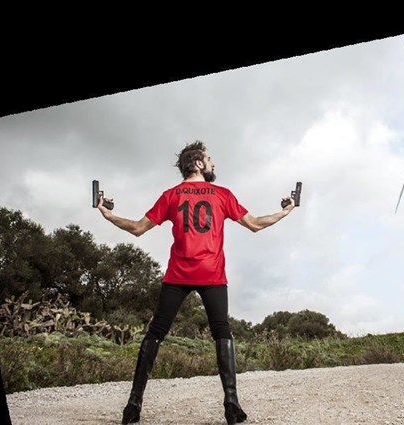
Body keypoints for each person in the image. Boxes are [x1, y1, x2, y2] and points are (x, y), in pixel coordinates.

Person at [96, 140, 296, 424]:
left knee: (156, 332)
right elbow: (255, 224)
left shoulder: (171, 195)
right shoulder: (222, 194)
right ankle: (231, 402)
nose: (213, 163)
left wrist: (107, 214)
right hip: (212, 274)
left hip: (178, 274)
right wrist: (285, 212)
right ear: (199, 163)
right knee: (222, 331)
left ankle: (133, 405)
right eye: (209, 159)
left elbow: (138, 228)